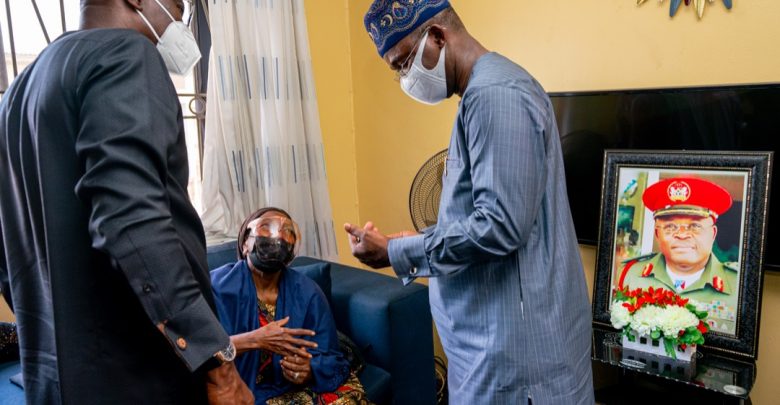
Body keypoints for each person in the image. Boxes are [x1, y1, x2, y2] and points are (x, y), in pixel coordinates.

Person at [0, 1, 253, 403]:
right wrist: (218, 364)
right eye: (178, 7)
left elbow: (9, 257)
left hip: (54, 381)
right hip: (135, 379)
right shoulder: (125, 54)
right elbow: (131, 222)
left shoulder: (16, 96)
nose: (181, 21)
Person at [345, 2, 594, 404]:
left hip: (514, 363)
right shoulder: (483, 93)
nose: (406, 80)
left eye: (405, 63)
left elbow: (500, 226)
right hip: (494, 352)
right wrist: (421, 239)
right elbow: (484, 211)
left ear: (437, 37)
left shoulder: (495, 96)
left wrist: (397, 252)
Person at [210, 207, 368, 405]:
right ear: (245, 245)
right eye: (266, 227)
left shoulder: (308, 292)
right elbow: (199, 350)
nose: (277, 235)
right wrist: (254, 340)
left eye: (287, 231)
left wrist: (309, 369)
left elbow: (330, 355)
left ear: (291, 251)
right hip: (240, 390)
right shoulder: (215, 287)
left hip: (296, 387)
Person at [618, 177, 739, 334]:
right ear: (657, 234)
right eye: (670, 226)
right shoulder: (629, 274)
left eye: (695, 226)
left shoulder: (738, 284)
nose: (682, 235)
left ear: (713, 233)